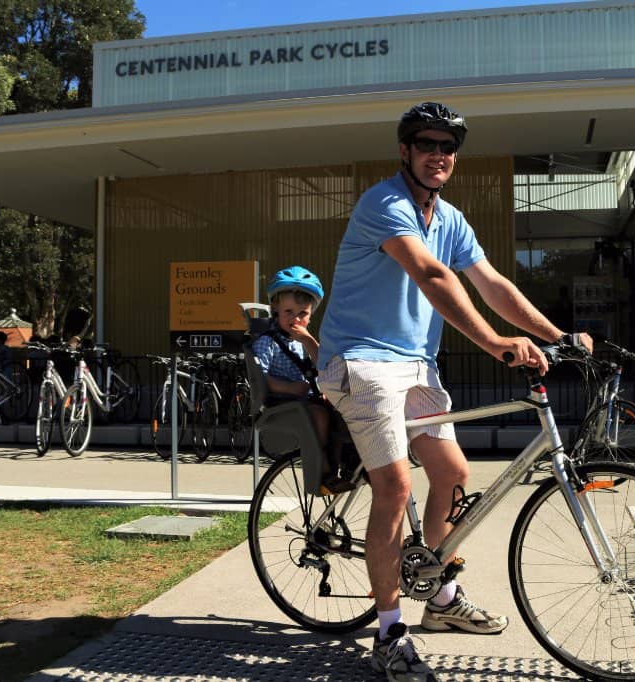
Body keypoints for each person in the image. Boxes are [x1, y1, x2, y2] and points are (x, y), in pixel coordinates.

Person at [316, 101, 593, 681]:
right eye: (426, 145)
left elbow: (492, 283)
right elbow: (432, 275)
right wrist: (496, 343)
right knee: (394, 484)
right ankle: (389, 631)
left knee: (454, 475)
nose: (438, 155)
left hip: (417, 365)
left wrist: (559, 335)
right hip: (360, 360)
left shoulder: (451, 219)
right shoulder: (384, 203)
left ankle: (439, 600)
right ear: (405, 151)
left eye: (447, 147)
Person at [252, 266, 353, 495]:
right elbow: (261, 379)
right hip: (280, 405)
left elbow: (324, 368)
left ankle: (348, 464)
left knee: (343, 410)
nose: (295, 319)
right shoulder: (266, 342)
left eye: (303, 314)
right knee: (318, 415)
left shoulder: (300, 342)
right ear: (275, 308)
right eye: (288, 311)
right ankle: (324, 473)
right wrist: (289, 387)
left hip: (303, 401)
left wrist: (309, 342)